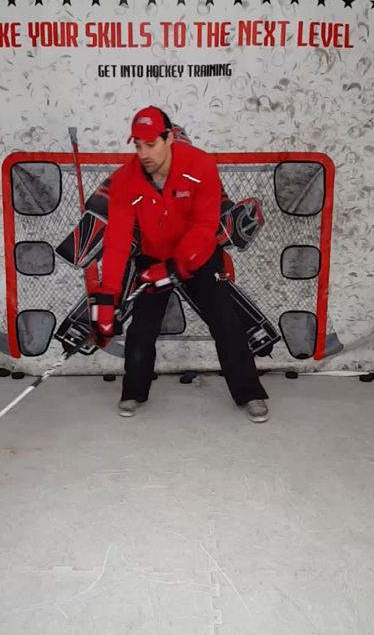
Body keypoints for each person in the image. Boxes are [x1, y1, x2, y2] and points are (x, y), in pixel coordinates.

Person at [90, 107, 269, 422]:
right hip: (153, 256)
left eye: (151, 144)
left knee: (226, 322)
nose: (144, 153)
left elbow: (205, 225)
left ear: (169, 138)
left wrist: (176, 267)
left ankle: (249, 392)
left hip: (200, 255)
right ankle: (133, 392)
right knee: (142, 327)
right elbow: (117, 241)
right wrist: (107, 296)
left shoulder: (200, 166)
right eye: (138, 145)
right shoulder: (125, 179)